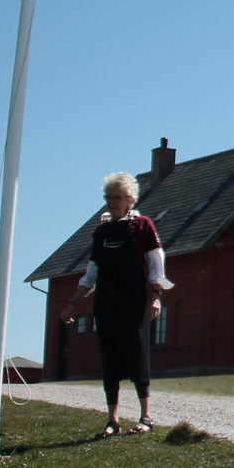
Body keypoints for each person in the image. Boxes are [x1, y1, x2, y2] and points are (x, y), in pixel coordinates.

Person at [61, 172, 172, 436]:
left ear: (129, 199)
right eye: (108, 197)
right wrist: (72, 303)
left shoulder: (143, 225)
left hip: (133, 304)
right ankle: (112, 420)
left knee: (137, 357)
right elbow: (91, 274)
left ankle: (146, 416)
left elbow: (156, 265)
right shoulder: (101, 231)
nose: (111, 201)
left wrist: (156, 296)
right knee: (109, 360)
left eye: (117, 197)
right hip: (106, 305)